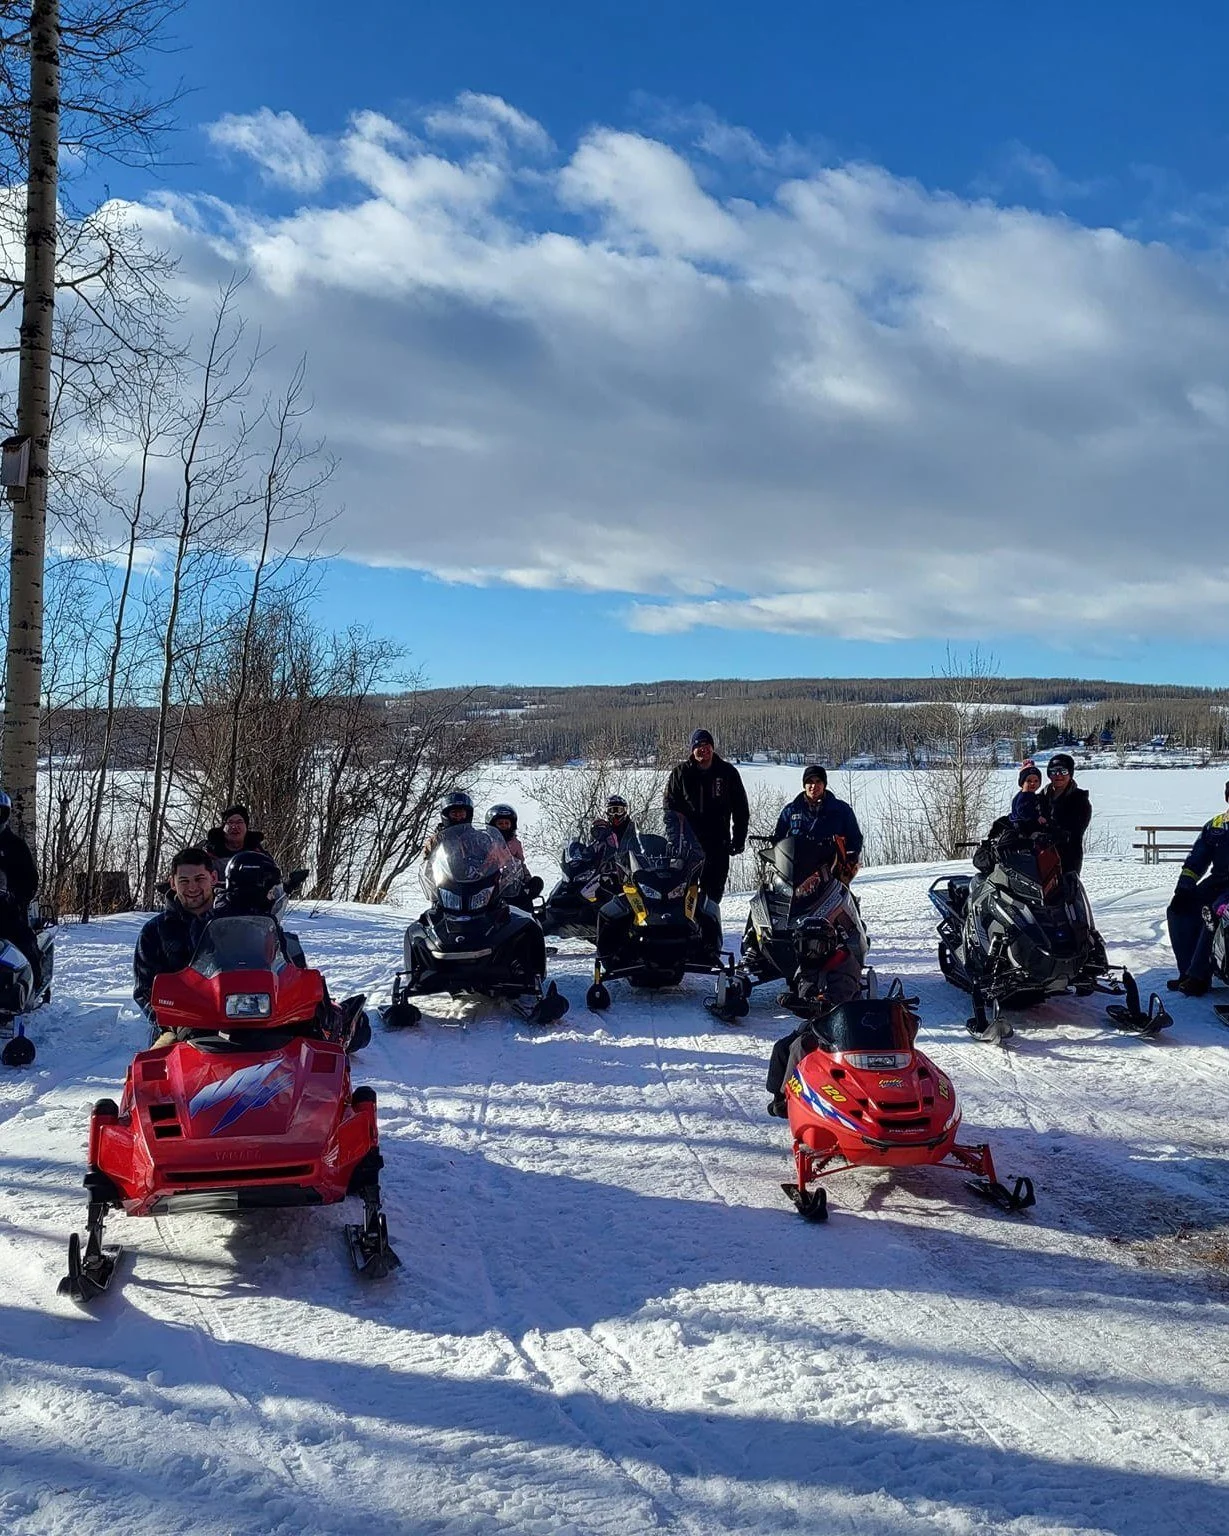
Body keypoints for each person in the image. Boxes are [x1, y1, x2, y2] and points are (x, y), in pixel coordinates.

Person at [133, 846, 218, 1027]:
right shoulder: (154, 932)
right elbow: (144, 990)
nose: (192, 887)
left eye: (199, 878)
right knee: (159, 1054)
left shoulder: (235, 922)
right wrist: (167, 1019)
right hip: (180, 1026)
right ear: (173, 883)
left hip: (239, 1015)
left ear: (213, 878)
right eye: (184, 880)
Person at [663, 729, 749, 903]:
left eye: (707, 745)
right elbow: (670, 811)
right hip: (688, 845)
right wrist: (674, 839)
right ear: (692, 750)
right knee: (683, 894)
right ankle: (687, 929)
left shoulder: (727, 772)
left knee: (712, 896)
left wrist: (739, 839)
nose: (703, 749)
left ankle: (709, 928)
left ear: (713, 747)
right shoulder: (680, 774)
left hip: (718, 843)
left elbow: (741, 809)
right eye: (699, 746)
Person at [1165, 781, 1229, 996]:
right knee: (1178, 910)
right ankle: (1187, 971)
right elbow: (1196, 860)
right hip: (1218, 881)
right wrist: (1183, 888)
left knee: (1213, 912)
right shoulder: (1217, 825)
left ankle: (1198, 976)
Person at [772, 765, 863, 876]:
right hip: (796, 872)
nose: (814, 786)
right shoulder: (791, 810)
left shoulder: (841, 810)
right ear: (804, 785)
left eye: (818, 781)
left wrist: (848, 862)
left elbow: (855, 840)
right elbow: (778, 839)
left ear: (824, 784)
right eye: (810, 781)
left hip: (831, 872)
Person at [0, 790, 42, 989]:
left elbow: (30, 879)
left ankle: (34, 984)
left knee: (25, 942)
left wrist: (17, 897)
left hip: (8, 912)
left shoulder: (15, 847)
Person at [1038, 754, 1091, 874]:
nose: (1058, 775)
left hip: (1068, 857)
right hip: (1041, 855)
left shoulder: (1079, 799)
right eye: (1053, 771)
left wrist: (1057, 834)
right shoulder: (1041, 797)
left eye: (1063, 771)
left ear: (1070, 773)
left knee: (1066, 890)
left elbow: (1076, 831)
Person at [486, 804, 544, 903]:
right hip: (491, 885)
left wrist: (527, 879)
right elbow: (483, 863)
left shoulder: (515, 843)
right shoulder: (486, 842)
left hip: (512, 884)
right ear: (492, 825)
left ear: (512, 825)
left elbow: (521, 863)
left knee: (535, 885)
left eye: (506, 823)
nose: (504, 826)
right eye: (500, 823)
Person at [204, 804, 265, 881]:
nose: (234, 826)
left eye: (239, 822)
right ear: (223, 827)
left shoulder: (258, 854)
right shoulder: (208, 855)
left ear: (246, 827)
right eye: (230, 822)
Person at [423, 791, 474, 857]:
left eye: (461, 813)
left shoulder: (480, 838)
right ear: (447, 815)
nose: (458, 816)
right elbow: (427, 863)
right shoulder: (436, 840)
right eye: (454, 813)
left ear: (467, 814)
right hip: (446, 867)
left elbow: (490, 859)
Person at [1010, 762, 1048, 832]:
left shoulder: (1030, 794)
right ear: (1022, 783)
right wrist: (1037, 817)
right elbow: (1022, 810)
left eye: (1036, 781)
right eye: (1029, 781)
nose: (1033, 783)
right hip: (1021, 825)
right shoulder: (1024, 796)